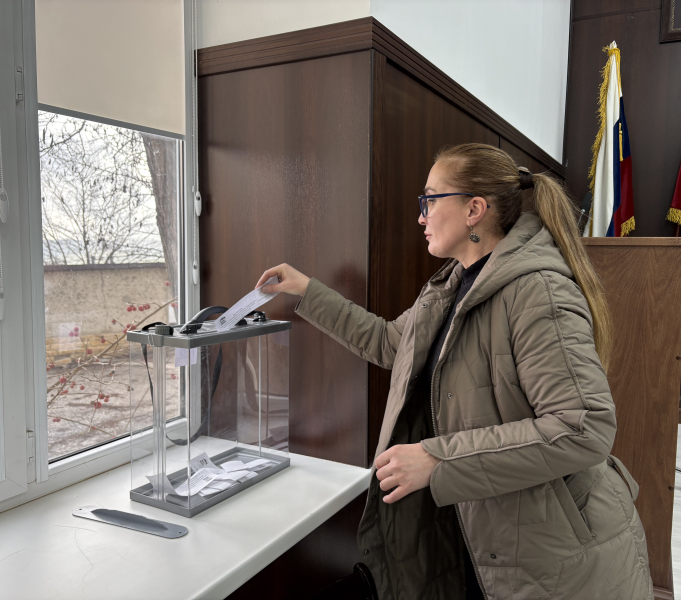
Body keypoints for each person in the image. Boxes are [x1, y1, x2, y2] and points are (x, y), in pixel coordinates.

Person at [256, 143, 653, 600]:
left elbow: (583, 427)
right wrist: (307, 290)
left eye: (429, 200)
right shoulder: (450, 285)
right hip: (487, 535)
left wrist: (438, 460)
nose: (420, 216)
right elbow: (389, 342)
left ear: (474, 210)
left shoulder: (538, 292)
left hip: (553, 556)